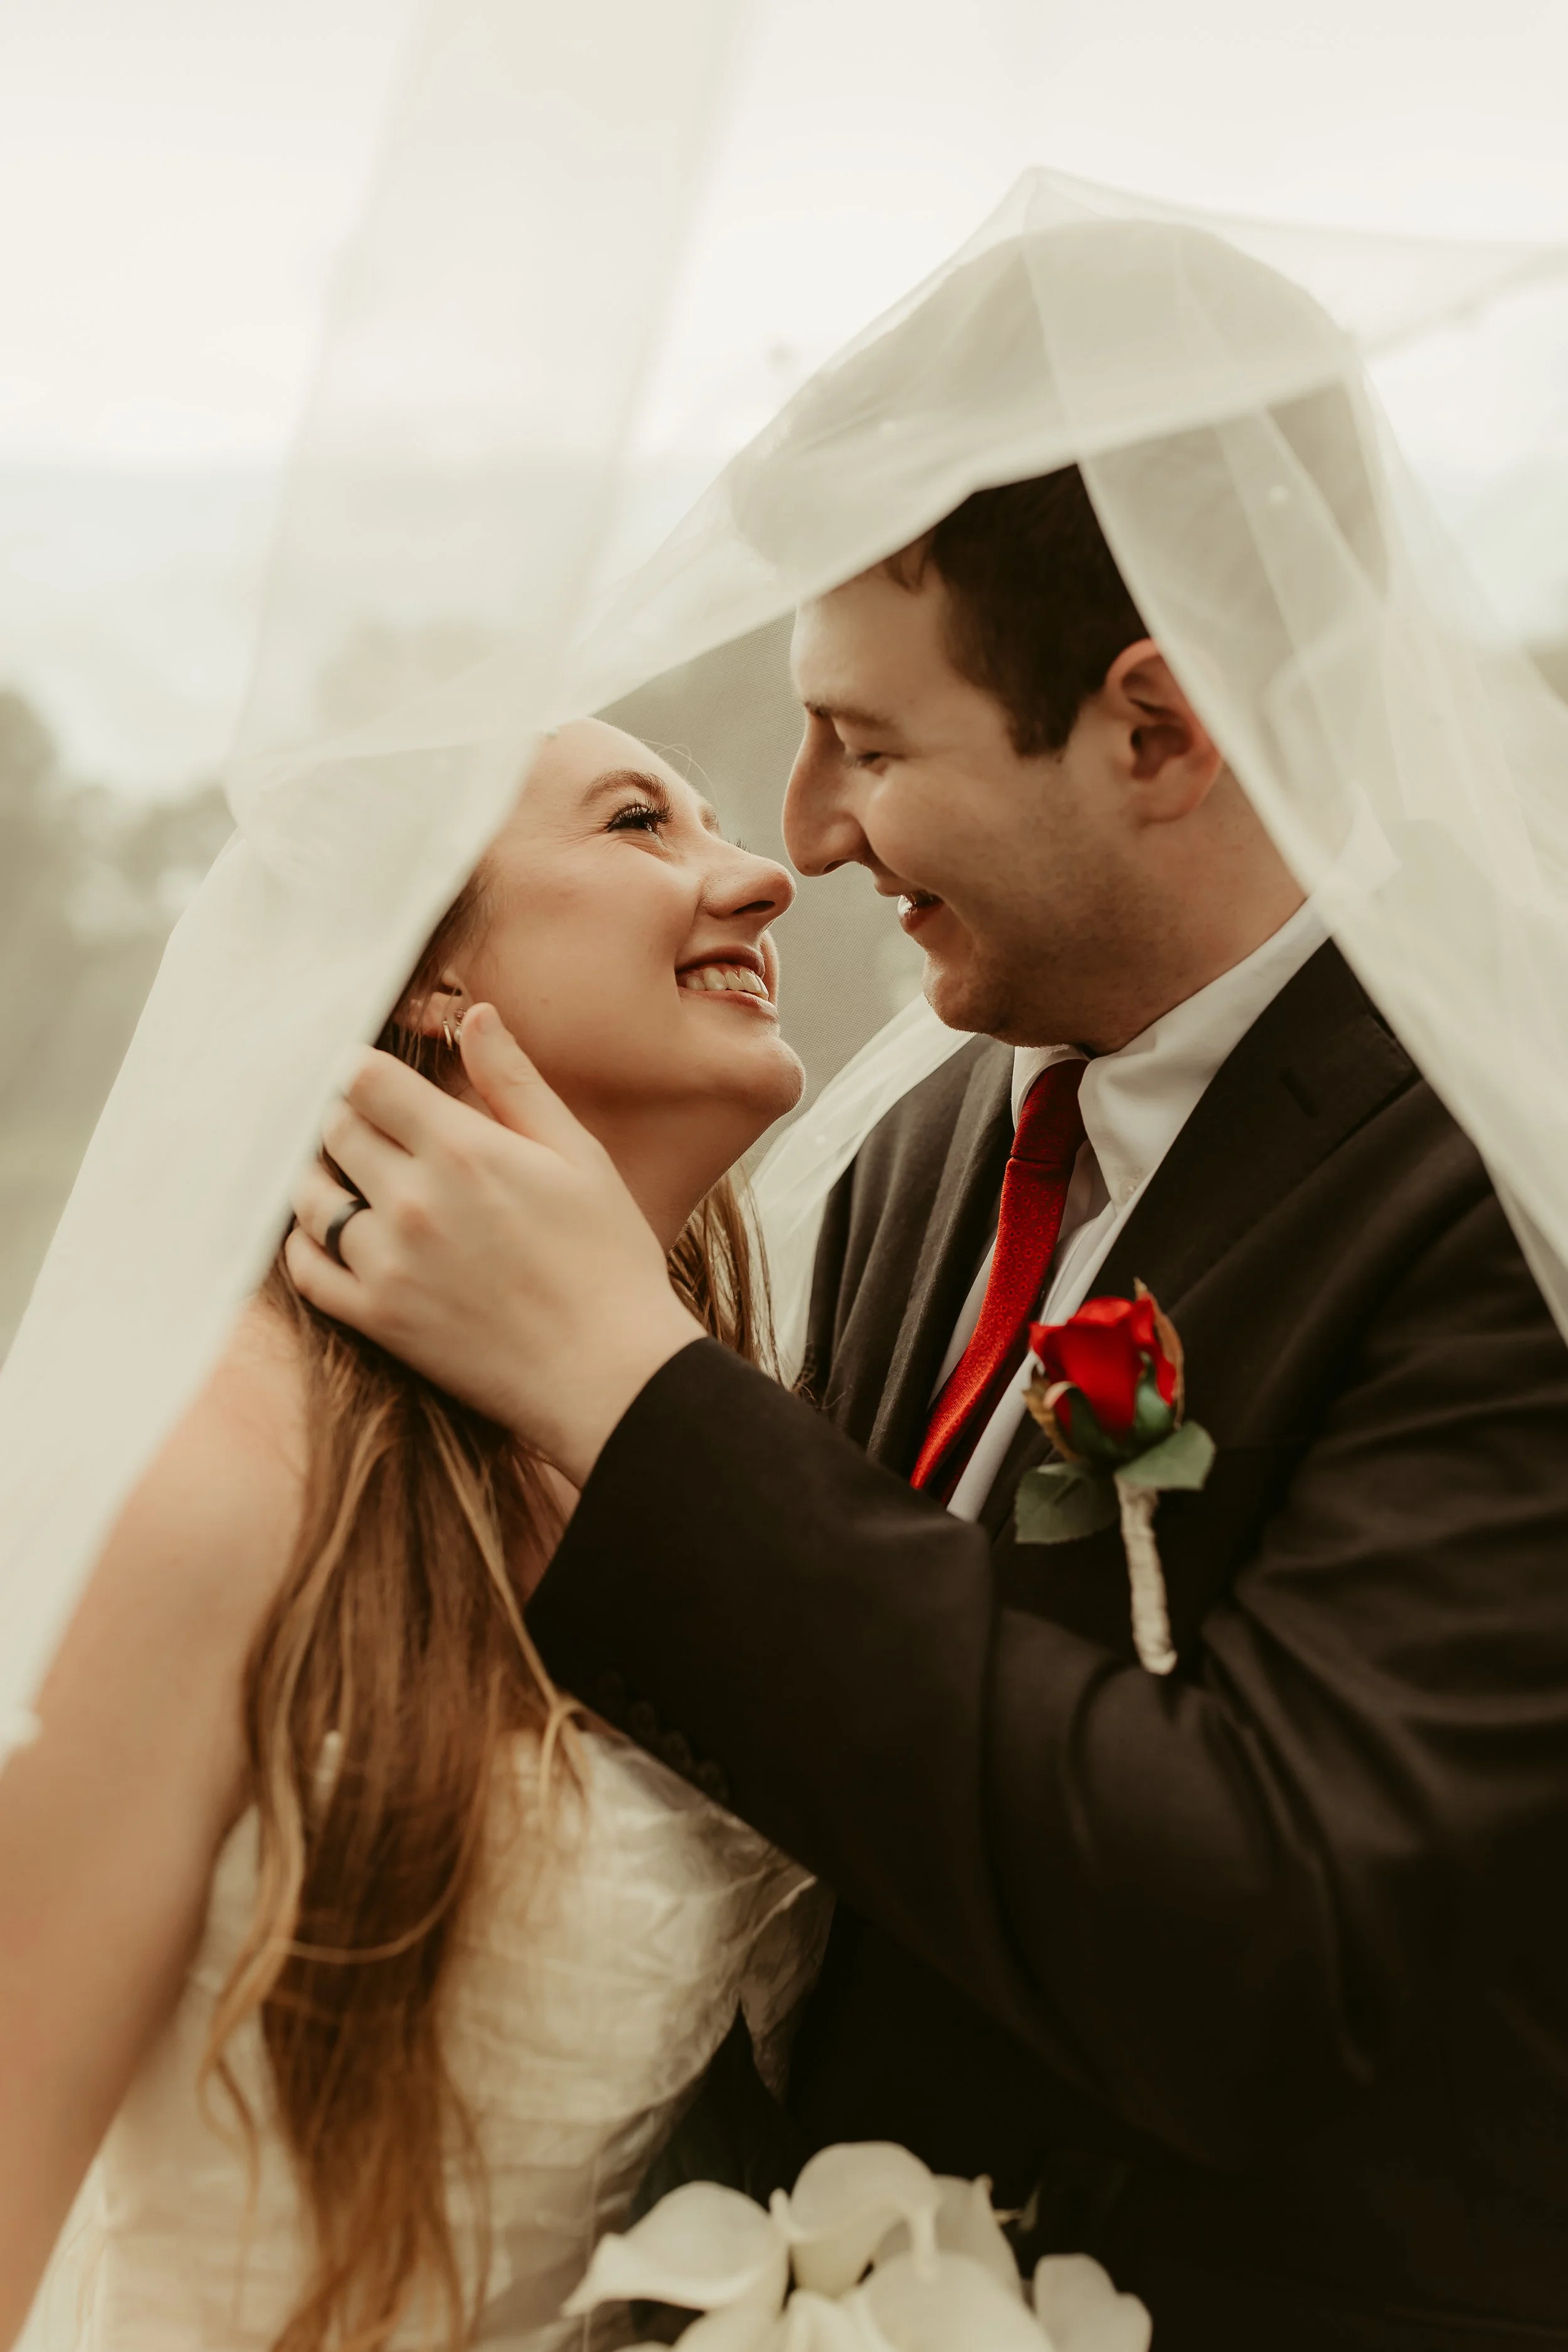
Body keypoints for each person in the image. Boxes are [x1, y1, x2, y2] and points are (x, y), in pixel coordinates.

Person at [287, 462, 1568, 2351]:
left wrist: (637, 1391)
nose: (802, 837)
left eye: (863, 745)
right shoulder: (930, 1136)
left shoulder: (1504, 1195)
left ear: (1155, 728)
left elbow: (1269, 1939)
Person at [0, 720, 826, 2351]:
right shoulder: (214, 1465)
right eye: (638, 819)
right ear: (427, 980)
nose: (761, 873)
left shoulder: (719, 1449)